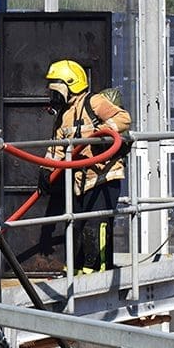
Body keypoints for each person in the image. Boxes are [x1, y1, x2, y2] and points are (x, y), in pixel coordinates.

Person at [45, 59, 132, 274]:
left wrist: (103, 131)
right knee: (76, 226)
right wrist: (46, 171)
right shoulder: (63, 117)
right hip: (79, 181)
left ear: (71, 85)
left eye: (57, 90)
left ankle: (99, 273)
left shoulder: (94, 102)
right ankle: (75, 271)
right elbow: (57, 148)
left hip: (104, 176)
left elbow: (123, 118)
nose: (54, 96)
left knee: (97, 226)